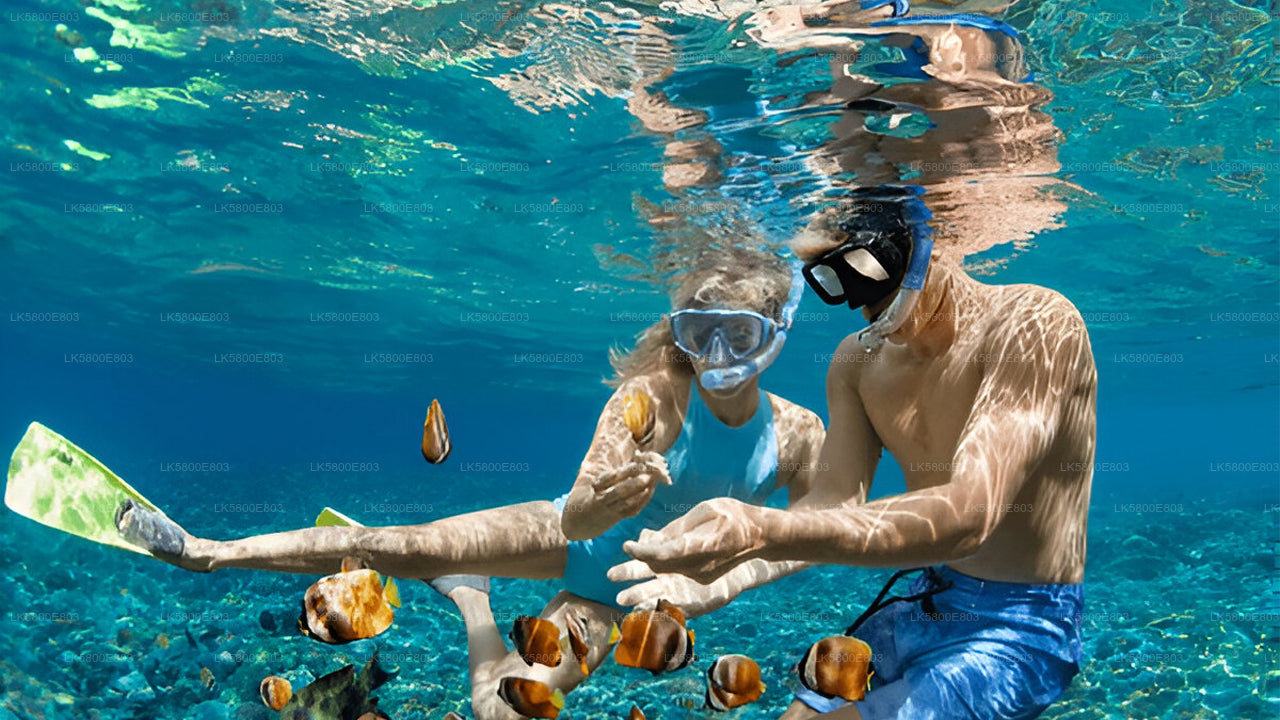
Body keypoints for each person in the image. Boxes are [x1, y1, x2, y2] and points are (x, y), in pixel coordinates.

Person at [115, 248, 836, 720]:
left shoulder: (799, 434)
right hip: (565, 538)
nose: (716, 355)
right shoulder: (649, 398)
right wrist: (602, 501)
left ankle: (471, 598)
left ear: (777, 331)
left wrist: (717, 586)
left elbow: (823, 532)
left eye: (739, 335)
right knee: (396, 545)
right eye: (699, 331)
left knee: (501, 712)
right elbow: (579, 519)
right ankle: (207, 551)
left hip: (618, 600)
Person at [611, 186, 1096, 720]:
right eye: (833, 281)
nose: (860, 303)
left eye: (864, 267)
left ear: (919, 239)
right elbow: (832, 504)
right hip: (926, 597)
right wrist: (731, 575)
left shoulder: (1035, 322)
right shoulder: (857, 363)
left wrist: (760, 531)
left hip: (1022, 621)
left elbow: (970, 514)